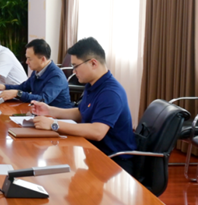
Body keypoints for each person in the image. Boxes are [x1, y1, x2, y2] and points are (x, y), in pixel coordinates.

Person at [31, 37, 137, 173]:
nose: (73, 71)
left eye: (75, 66)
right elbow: (81, 113)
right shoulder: (93, 84)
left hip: (114, 162)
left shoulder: (111, 93)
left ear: (93, 63)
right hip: (93, 151)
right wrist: (50, 111)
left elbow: (97, 132)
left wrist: (54, 124)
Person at [0, 39, 73, 108]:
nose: (27, 62)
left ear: (43, 59)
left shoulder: (56, 76)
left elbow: (43, 99)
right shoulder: (37, 70)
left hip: (58, 117)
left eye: (29, 59)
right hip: (40, 112)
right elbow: (24, 87)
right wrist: (4, 86)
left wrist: (18, 94)